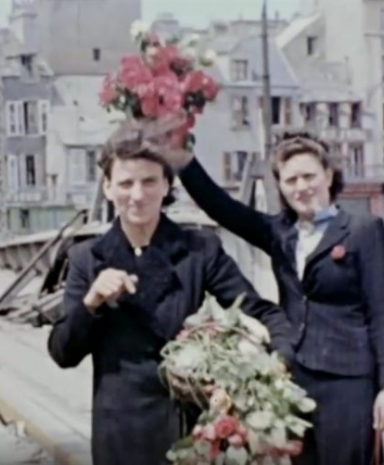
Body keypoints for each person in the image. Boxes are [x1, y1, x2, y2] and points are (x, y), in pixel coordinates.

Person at [47, 123, 295, 465]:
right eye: (125, 183)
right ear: (107, 188)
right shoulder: (86, 258)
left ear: (166, 185)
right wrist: (92, 303)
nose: (138, 194)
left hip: (190, 430)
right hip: (121, 433)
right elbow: (62, 353)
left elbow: (259, 311)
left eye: (149, 181)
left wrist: (278, 363)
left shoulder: (198, 250)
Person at [153, 129, 384, 465]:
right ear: (281, 186)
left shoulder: (363, 230)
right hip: (293, 380)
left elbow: (381, 314)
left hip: (349, 382)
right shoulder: (279, 232)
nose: (301, 187)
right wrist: (181, 157)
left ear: (328, 175)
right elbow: (222, 209)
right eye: (291, 180)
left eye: (309, 176)